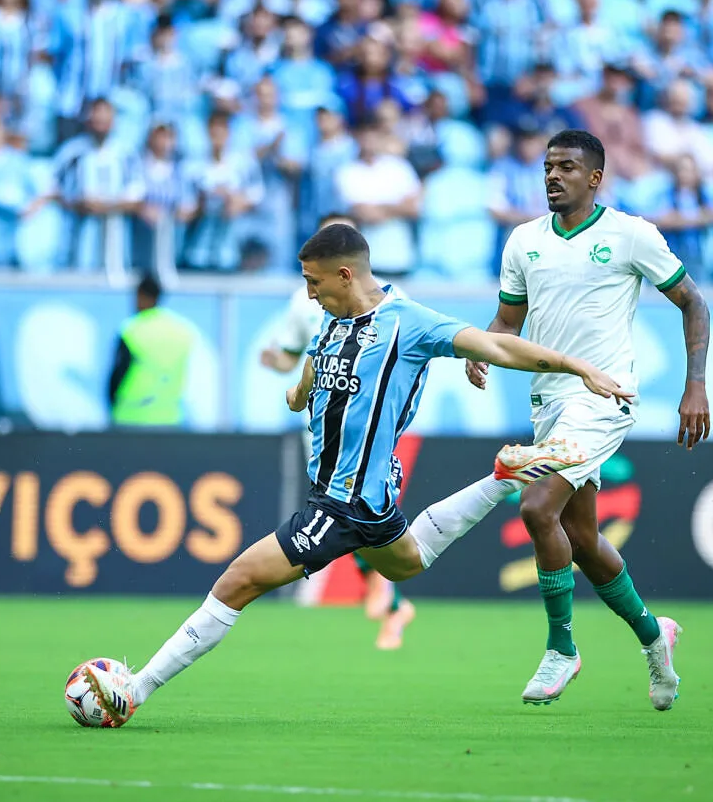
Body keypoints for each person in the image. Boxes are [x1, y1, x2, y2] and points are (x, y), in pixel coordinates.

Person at [84, 222, 633, 726]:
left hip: (341, 504)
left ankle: (136, 690)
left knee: (236, 583)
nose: (309, 293)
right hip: (371, 501)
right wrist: (301, 391)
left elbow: (495, 344)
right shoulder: (332, 317)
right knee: (407, 565)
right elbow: (318, 357)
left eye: (314, 281)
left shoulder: (409, 322)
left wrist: (578, 367)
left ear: (346, 274)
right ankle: (503, 478)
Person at [396, 130, 712, 710]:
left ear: (594, 177)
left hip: (605, 398)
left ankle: (561, 647)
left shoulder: (631, 235)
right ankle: (654, 637)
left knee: (536, 505)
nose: (552, 176)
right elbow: (509, 318)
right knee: (585, 541)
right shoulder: (523, 241)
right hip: (549, 401)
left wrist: (695, 385)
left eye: (566, 167)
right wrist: (484, 348)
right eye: (547, 167)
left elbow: (693, 300)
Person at [258, 212, 414, 650]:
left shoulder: (390, 301)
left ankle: (390, 598)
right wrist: (282, 367)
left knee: (350, 511)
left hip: (365, 437)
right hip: (323, 433)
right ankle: (388, 596)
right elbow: (299, 357)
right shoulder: (302, 301)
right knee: (345, 519)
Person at [107, 273, 197, 428]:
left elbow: (118, 373)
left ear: (140, 295)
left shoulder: (131, 330)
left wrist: (112, 404)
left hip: (130, 416)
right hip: (170, 417)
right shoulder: (182, 330)